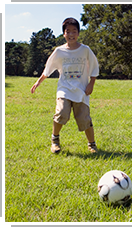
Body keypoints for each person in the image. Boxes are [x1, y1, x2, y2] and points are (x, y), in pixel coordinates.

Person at [31, 17, 99, 154]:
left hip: (81, 89)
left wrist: (91, 84)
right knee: (61, 113)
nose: (71, 34)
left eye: (74, 31)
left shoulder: (85, 50)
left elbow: (94, 67)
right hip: (64, 88)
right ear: (64, 34)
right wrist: (38, 82)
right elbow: (48, 68)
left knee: (84, 118)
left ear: (78, 33)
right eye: (68, 31)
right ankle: (55, 140)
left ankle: (92, 144)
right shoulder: (59, 51)